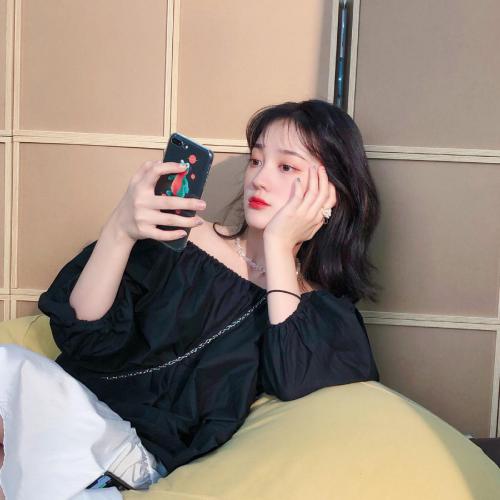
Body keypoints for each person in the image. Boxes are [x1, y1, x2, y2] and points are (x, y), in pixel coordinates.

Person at [0, 99, 381, 499]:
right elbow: (81, 334)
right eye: (256, 160)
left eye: (286, 167)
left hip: (130, 457)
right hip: (69, 410)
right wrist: (120, 230)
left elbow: (293, 378)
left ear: (330, 192)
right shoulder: (183, 237)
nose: (260, 179)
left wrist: (280, 246)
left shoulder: (320, 313)